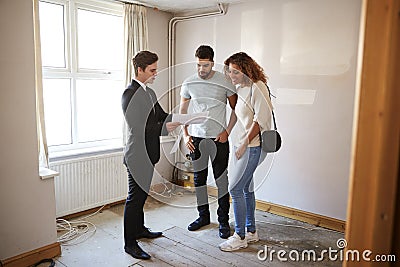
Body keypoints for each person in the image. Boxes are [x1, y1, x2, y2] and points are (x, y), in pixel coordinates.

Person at [121, 51, 180, 260]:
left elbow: (161, 116)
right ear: (140, 70)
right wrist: (166, 128)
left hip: (149, 154)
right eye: (153, 70)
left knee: (142, 196)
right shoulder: (129, 94)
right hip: (137, 155)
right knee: (134, 199)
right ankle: (130, 243)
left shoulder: (150, 93)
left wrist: (183, 118)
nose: (156, 73)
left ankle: (140, 230)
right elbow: (138, 127)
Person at [179, 45, 237, 239]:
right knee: (199, 181)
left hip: (218, 138)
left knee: (222, 181)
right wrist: (186, 135)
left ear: (212, 63)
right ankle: (203, 217)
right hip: (196, 138)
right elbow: (182, 113)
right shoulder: (188, 82)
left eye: (205, 65)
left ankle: (223, 221)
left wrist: (227, 132)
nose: (201, 69)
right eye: (198, 65)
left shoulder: (225, 81)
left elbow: (237, 110)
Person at [218, 52, 273, 251]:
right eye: (230, 72)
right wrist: (227, 131)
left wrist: (243, 145)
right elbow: (236, 113)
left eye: (236, 72)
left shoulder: (257, 87)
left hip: (252, 147)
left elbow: (260, 120)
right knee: (247, 188)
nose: (231, 76)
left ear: (246, 69)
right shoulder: (241, 88)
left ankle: (240, 236)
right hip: (241, 145)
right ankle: (251, 231)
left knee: (235, 189)